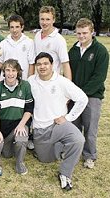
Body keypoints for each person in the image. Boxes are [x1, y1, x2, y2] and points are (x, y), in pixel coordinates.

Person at [28, 52, 88, 190]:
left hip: (57, 125)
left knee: (78, 140)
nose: (42, 67)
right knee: (45, 160)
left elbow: (82, 98)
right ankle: (57, 148)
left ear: (52, 65)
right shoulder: (31, 81)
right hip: (39, 129)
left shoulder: (61, 81)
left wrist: (68, 118)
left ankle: (65, 174)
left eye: (45, 63)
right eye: (39, 64)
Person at [68, 18, 109, 169]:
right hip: (74, 96)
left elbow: (99, 78)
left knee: (90, 128)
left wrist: (82, 94)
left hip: (92, 96)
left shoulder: (100, 51)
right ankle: (74, 152)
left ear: (92, 32)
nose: (82, 36)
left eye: (85, 33)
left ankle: (90, 156)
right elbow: (69, 73)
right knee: (73, 126)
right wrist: (71, 93)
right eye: (78, 33)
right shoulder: (73, 50)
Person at [0, 14, 36, 150]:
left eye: (17, 27)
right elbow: (1, 64)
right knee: (7, 110)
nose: (14, 30)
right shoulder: (4, 43)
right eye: (12, 27)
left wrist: (29, 81)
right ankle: (4, 136)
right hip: (7, 82)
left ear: (22, 27)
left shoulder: (29, 42)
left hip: (22, 83)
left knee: (26, 109)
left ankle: (27, 136)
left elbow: (31, 63)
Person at [0, 59, 33, 175]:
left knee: (21, 138)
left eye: (13, 70)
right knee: (6, 155)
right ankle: (12, 145)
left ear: (18, 72)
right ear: (3, 72)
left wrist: (21, 125)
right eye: (8, 70)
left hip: (20, 123)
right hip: (5, 128)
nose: (10, 73)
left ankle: (20, 163)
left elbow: (29, 109)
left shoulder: (25, 86)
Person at [34, 6, 72, 80]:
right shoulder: (37, 36)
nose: (44, 23)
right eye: (42, 19)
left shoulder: (59, 40)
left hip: (52, 83)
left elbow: (65, 65)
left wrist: (68, 86)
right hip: (38, 81)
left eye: (48, 19)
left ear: (53, 20)